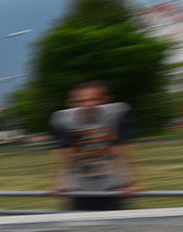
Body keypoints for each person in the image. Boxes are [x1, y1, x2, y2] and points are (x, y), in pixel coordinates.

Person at [48, 81, 141, 211]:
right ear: (71, 103)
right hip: (80, 187)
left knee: (117, 225)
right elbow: (65, 155)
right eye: (80, 101)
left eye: (94, 99)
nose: (88, 104)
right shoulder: (64, 119)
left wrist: (129, 183)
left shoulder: (115, 114)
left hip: (111, 186)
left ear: (105, 100)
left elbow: (122, 151)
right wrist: (60, 183)